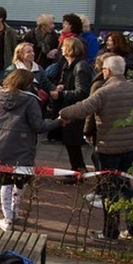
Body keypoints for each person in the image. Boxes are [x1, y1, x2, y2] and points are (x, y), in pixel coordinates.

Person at [60, 55, 133, 239]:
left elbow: (83, 108)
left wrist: (63, 113)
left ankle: (111, 232)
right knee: (127, 187)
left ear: (106, 71)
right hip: (130, 146)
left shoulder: (104, 92)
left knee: (110, 191)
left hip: (108, 148)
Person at [0, 68, 57, 232]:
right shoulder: (30, 101)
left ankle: (7, 217)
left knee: (4, 182)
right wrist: (58, 122)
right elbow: (39, 126)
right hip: (22, 147)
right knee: (20, 181)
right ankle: (15, 211)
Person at [51, 36, 93, 176]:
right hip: (71, 107)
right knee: (70, 142)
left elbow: (82, 92)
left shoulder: (80, 67)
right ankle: (77, 170)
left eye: (64, 46)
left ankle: (78, 171)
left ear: (70, 49)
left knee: (73, 142)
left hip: (76, 110)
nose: (61, 48)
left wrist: (62, 95)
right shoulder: (69, 65)